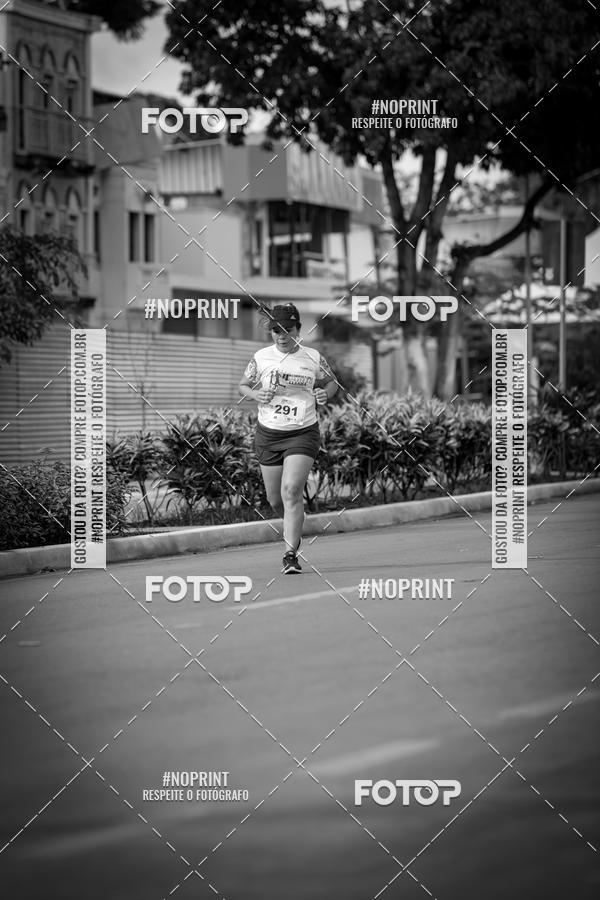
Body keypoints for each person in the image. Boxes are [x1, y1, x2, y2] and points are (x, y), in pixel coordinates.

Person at [239, 303, 338, 574]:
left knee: (292, 490)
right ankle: (295, 521)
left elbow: (331, 382)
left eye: (288, 330)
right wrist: (256, 394)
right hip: (269, 434)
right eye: (276, 331)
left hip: (302, 432)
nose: (281, 337)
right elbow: (243, 385)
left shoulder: (312, 357)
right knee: (275, 500)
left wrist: (325, 393)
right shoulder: (261, 357)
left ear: (298, 330)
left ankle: (290, 553)